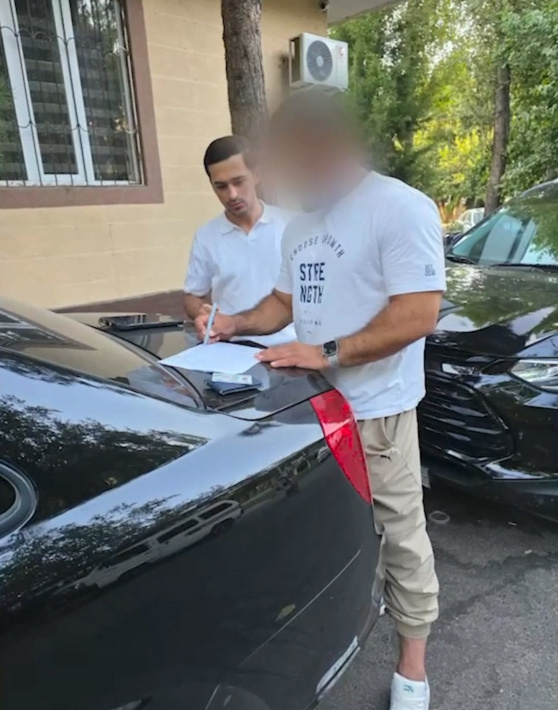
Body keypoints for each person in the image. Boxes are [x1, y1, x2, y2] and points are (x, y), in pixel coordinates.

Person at [195, 90, 445, 710]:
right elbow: (283, 304)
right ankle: (330, 637)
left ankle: (412, 671)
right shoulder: (302, 227)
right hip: (312, 413)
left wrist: (326, 352)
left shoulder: (399, 208)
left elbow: (417, 314)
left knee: (401, 537)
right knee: (324, 533)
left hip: (378, 412)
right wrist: (233, 324)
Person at [183, 135, 296, 346]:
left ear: (257, 174)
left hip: (290, 348)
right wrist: (201, 312)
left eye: (238, 181)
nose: (232, 194)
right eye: (221, 186)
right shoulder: (206, 236)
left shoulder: (293, 227)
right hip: (232, 348)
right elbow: (193, 295)